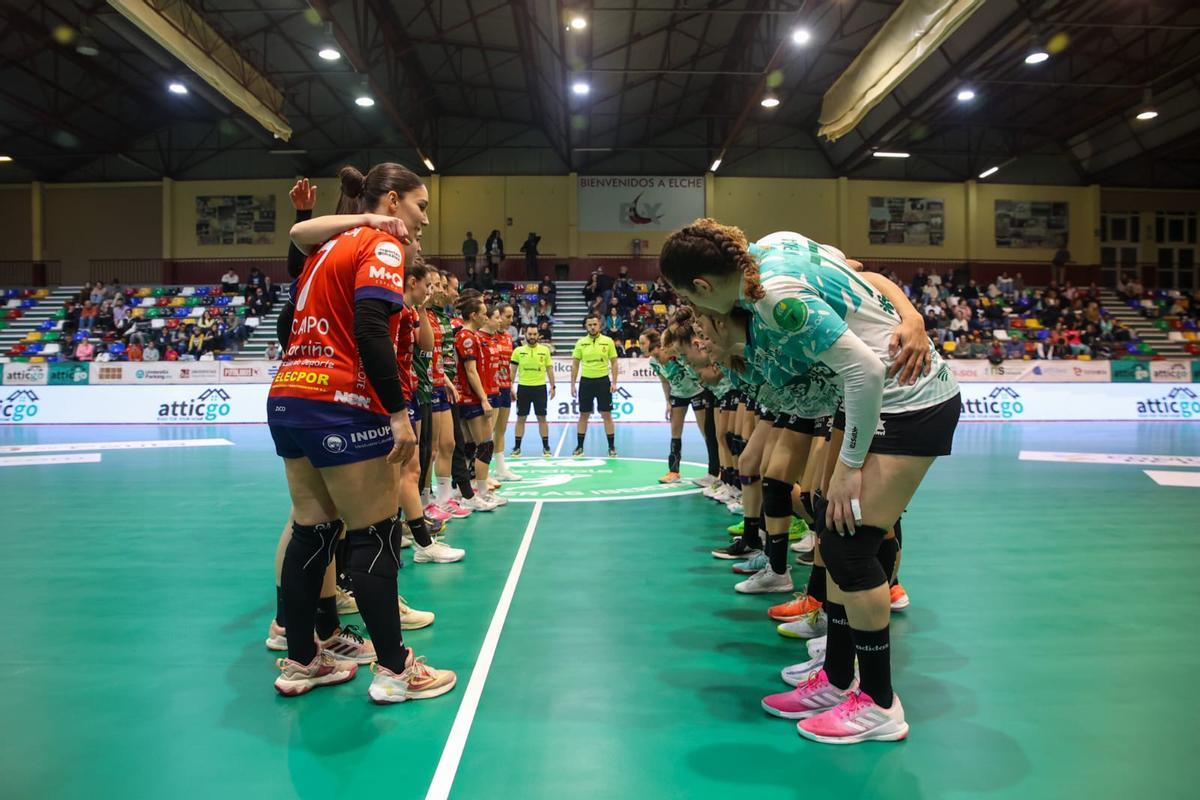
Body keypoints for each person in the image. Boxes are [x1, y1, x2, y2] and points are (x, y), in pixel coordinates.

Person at [660, 220, 959, 745]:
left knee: (849, 542)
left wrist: (847, 465)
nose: (697, 318)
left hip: (908, 398)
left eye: (688, 298)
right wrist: (908, 313)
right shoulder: (773, 245)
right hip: (875, 397)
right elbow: (862, 272)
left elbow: (864, 369)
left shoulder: (776, 301)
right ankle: (839, 678)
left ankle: (879, 705)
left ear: (702, 286)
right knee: (832, 528)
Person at [266, 163, 455, 702]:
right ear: (393, 201)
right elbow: (371, 326)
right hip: (342, 402)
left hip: (289, 396)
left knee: (313, 531)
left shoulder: (327, 244)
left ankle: (303, 660)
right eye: (420, 206)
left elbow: (296, 238)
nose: (423, 220)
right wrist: (398, 413)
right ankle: (397, 670)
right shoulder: (383, 245)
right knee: (373, 533)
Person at [453, 292, 501, 512]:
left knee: (469, 446)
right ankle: (481, 493)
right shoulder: (468, 337)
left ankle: (464, 491)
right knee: (485, 445)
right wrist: (483, 399)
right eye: (483, 313)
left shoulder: (465, 335)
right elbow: (470, 371)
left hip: (463, 398)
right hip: (471, 398)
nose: (486, 316)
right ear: (473, 315)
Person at [570, 314, 619, 457]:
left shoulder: (608, 341)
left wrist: (614, 382)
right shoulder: (580, 342)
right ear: (586, 326)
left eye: (595, 324)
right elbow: (575, 364)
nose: (592, 327)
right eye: (589, 324)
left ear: (600, 325)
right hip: (586, 382)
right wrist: (573, 384)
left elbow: (614, 362)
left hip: (603, 382)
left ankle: (611, 447)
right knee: (583, 415)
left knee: (606, 414)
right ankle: (579, 447)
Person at [486, 304, 521, 483]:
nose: (510, 320)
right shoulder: (487, 337)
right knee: (487, 431)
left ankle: (501, 469)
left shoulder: (508, 337)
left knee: (501, 430)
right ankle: (484, 473)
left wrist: (511, 386)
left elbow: (506, 365)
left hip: (506, 387)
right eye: (507, 316)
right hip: (492, 389)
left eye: (511, 316)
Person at [510, 325, 555, 458]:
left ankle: (546, 447)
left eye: (535, 334)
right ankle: (517, 448)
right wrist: (510, 387)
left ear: (538, 335)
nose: (532, 337)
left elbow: (549, 369)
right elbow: (512, 371)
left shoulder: (545, 350)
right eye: (530, 334)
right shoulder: (518, 351)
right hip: (523, 388)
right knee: (521, 418)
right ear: (525, 334)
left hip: (540, 388)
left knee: (542, 417)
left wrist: (553, 386)